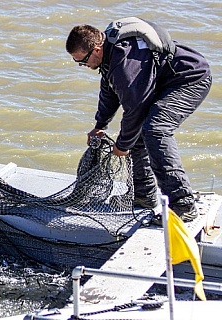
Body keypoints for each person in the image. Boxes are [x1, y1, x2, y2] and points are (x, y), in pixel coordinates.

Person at [65, 17, 212, 222]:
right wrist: (100, 125)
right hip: (164, 82)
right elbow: (109, 92)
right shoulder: (110, 55)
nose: (81, 65)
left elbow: (134, 110)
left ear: (96, 50)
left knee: (155, 129)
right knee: (139, 131)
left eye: (81, 60)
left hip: (190, 78)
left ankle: (183, 204)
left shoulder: (123, 66)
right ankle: (143, 195)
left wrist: (123, 145)